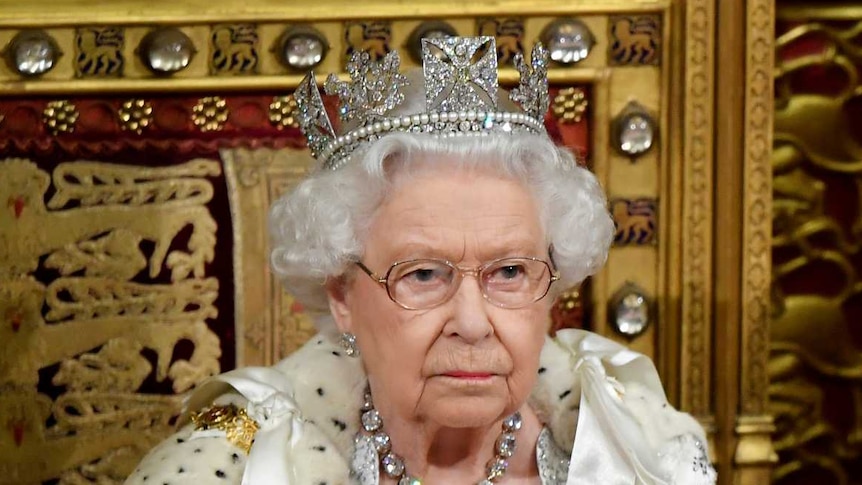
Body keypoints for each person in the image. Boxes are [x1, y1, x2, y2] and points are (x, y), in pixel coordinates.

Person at [125, 37, 716, 485]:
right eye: (424, 274)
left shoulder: (634, 453)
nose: (474, 321)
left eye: (509, 272)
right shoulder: (240, 462)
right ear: (341, 295)